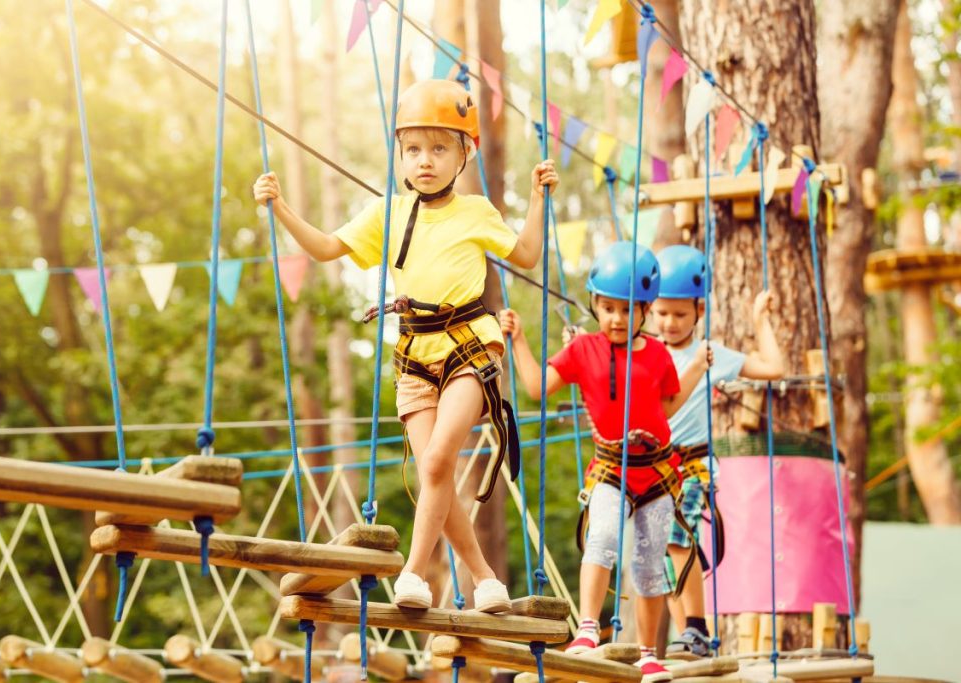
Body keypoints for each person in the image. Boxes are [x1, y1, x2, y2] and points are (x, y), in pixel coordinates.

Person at [252, 79, 558, 612]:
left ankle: (414, 572)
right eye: (413, 149)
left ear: (466, 153)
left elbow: (528, 255)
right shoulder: (387, 214)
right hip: (415, 357)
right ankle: (485, 578)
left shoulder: (475, 212)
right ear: (399, 153)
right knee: (432, 469)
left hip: (471, 346)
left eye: (440, 148)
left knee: (439, 456)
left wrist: (537, 199)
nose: (425, 161)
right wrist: (279, 208)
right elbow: (326, 248)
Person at [499, 241, 709, 682]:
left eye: (626, 309)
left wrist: (696, 369)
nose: (615, 317)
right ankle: (588, 628)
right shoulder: (582, 350)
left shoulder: (656, 355)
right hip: (610, 468)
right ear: (594, 304)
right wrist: (517, 340)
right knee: (604, 537)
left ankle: (649, 652)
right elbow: (538, 387)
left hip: (657, 471)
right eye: (607, 307)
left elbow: (667, 405)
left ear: (645, 310)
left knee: (651, 566)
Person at [652, 244, 785, 657]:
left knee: (676, 540)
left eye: (680, 314)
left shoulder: (709, 354)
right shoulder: (645, 353)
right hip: (652, 468)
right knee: (656, 555)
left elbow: (773, 368)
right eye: (661, 313)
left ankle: (696, 627)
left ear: (699, 311)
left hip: (693, 463)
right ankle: (691, 638)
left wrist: (760, 320)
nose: (670, 323)